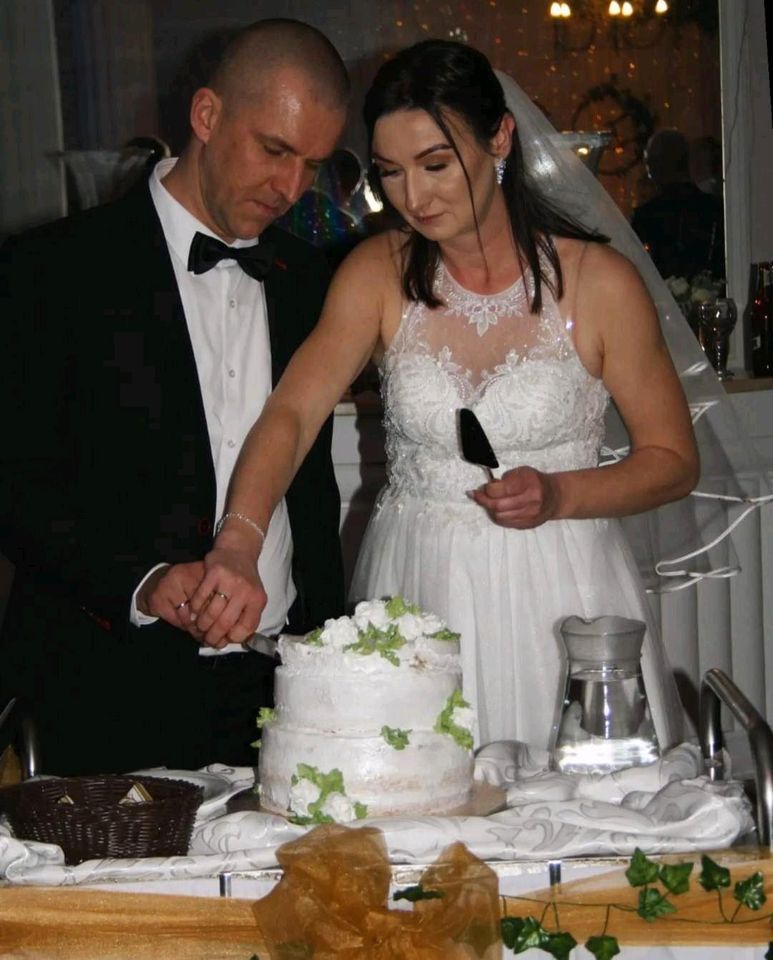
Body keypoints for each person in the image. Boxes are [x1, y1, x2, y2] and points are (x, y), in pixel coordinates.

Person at [179, 39, 699, 754]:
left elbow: (672, 460)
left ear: (500, 139)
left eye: (434, 164)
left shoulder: (597, 282)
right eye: (390, 173)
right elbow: (291, 414)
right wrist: (238, 539)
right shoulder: (375, 272)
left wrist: (558, 494)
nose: (413, 198)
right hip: (417, 585)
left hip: (559, 589)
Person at [0, 19, 347, 775]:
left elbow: (311, 491)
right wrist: (145, 582)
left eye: (312, 166)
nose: (290, 189)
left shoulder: (311, 280)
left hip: (282, 698)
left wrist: (323, 656)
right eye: (275, 150)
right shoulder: (48, 270)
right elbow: (17, 486)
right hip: (106, 686)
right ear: (206, 115)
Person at [632, 128, 724, 282]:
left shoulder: (647, 215)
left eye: (650, 162)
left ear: (659, 164)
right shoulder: (715, 207)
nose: (649, 171)